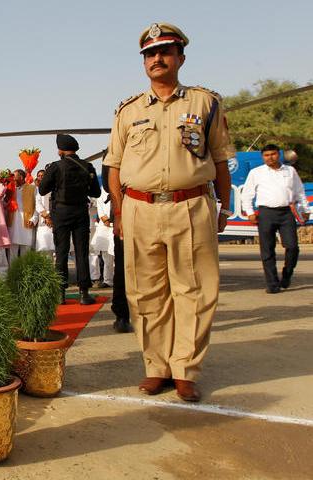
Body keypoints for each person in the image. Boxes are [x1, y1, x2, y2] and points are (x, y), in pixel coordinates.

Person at [105, 23, 234, 402]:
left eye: (165, 51)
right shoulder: (128, 111)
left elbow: (221, 160)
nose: (157, 59)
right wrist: (118, 211)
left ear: (180, 57)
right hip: (140, 208)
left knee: (193, 290)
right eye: (150, 53)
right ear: (144, 61)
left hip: (191, 205)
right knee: (146, 293)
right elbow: (114, 166)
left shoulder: (205, 103)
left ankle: (185, 368)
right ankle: (156, 367)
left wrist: (223, 207)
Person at [39, 134, 101, 305]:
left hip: (61, 213)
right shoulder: (87, 167)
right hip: (81, 212)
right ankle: (84, 293)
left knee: (61, 252)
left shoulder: (55, 167)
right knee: (82, 252)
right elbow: (96, 193)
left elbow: (43, 190)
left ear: (60, 150)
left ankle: (60, 294)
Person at [241, 144, 310, 293]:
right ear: (262, 157)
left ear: (278, 154)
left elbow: (299, 192)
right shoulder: (256, 173)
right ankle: (272, 284)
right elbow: (247, 194)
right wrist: (250, 212)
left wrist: (305, 209)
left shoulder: (290, 171)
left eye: (273, 154)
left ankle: (287, 274)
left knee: (292, 247)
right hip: (266, 213)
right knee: (267, 250)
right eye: (266, 155)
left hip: (286, 213)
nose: (270, 158)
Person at [101, 163, 133, 333]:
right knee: (122, 265)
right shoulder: (115, 151)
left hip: (127, 210)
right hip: (127, 210)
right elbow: (108, 184)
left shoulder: (114, 151)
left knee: (122, 265)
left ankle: (122, 316)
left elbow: (107, 185)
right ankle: (123, 315)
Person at [7, 169, 38, 264]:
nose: (13, 178)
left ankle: (26, 276)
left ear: (21, 177)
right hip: (13, 225)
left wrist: (34, 219)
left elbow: (38, 205)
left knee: (26, 252)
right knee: (12, 253)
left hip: (27, 223)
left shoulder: (33, 188)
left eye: (14, 176)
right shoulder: (10, 189)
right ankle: (13, 275)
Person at [90, 189, 114, 288]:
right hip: (104, 226)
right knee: (106, 255)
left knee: (117, 253)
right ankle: (107, 280)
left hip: (117, 223)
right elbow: (99, 206)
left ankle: (119, 279)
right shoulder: (102, 192)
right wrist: (104, 218)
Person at [34, 170, 55, 257]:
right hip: (43, 222)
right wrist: (46, 217)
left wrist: (50, 216)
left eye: (43, 175)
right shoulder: (37, 190)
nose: (41, 177)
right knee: (43, 249)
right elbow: (38, 205)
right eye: (39, 175)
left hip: (54, 221)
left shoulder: (54, 187)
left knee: (55, 248)